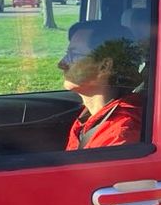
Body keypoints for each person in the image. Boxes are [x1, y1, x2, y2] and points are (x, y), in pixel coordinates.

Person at [59, 21, 144, 150]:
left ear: (104, 66)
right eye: (67, 54)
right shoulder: (91, 117)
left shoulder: (119, 134)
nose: (61, 63)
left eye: (74, 55)